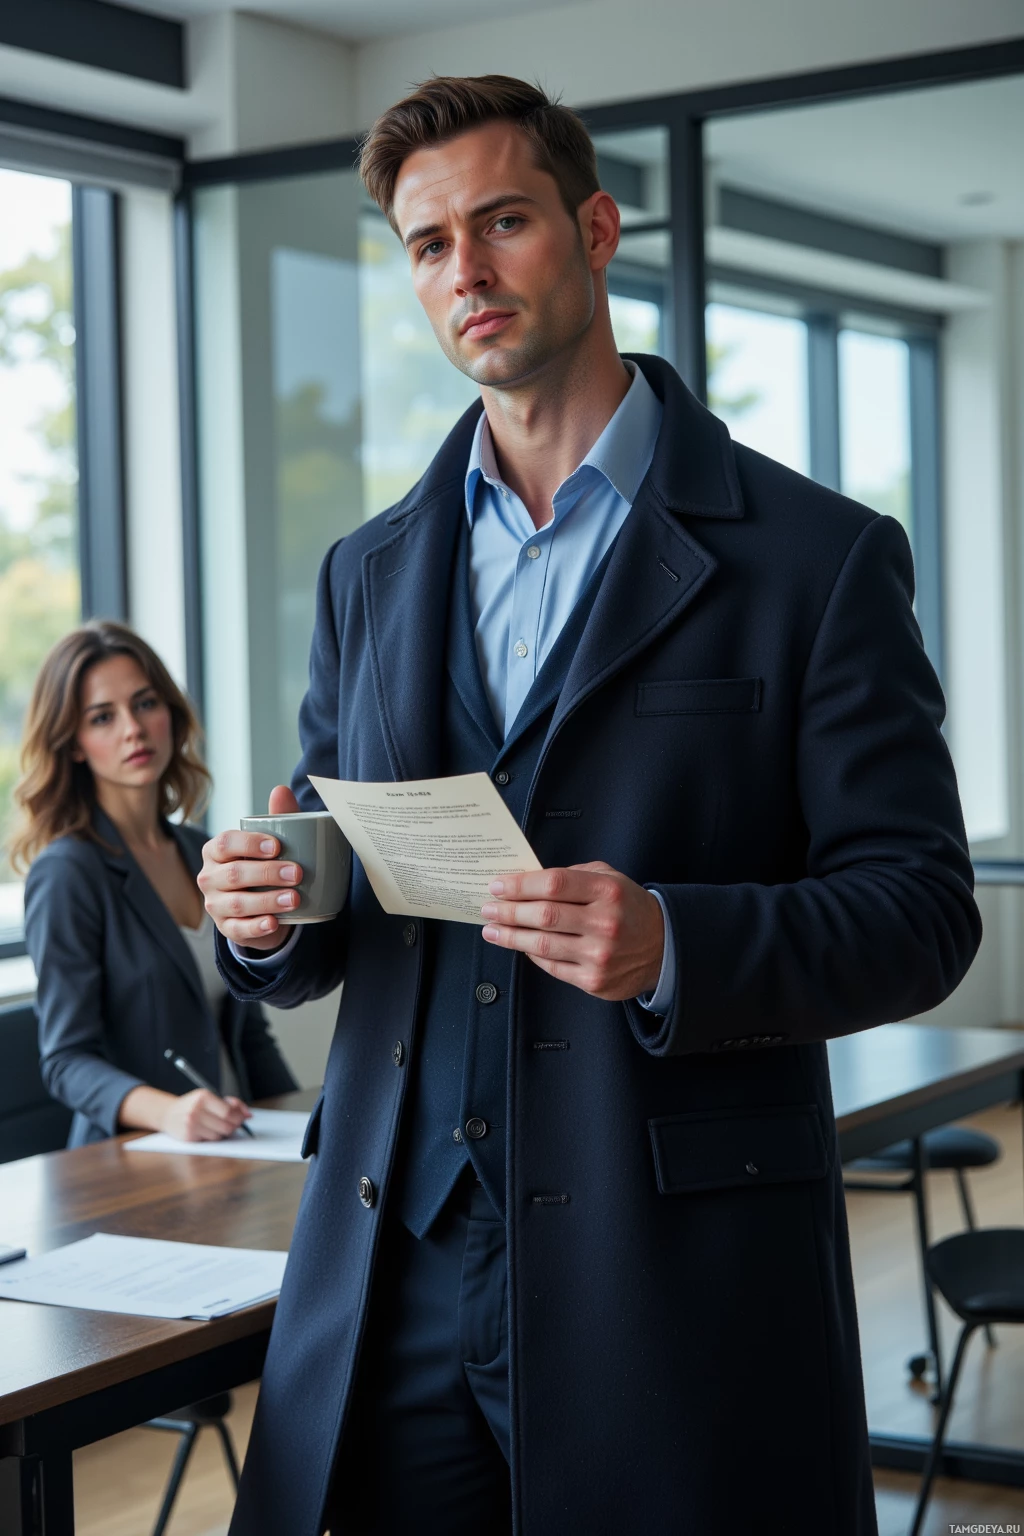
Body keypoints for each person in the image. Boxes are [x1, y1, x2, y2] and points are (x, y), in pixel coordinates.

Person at [201, 77, 980, 1536]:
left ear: (597, 229)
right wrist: (266, 916)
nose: (466, 273)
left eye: (501, 222)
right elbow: (338, 883)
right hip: (390, 1261)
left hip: (668, 1274)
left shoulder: (816, 560)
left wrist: (675, 942)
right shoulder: (364, 574)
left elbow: (923, 912)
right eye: (428, 244)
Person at [14, 620, 295, 1148]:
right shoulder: (68, 872)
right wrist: (171, 1113)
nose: (133, 729)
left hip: (242, 1147)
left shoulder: (203, 853)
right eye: (103, 717)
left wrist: (311, 1136)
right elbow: (66, 1061)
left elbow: (248, 1034)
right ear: (74, 744)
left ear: (169, 712)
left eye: (145, 704)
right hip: (133, 1162)